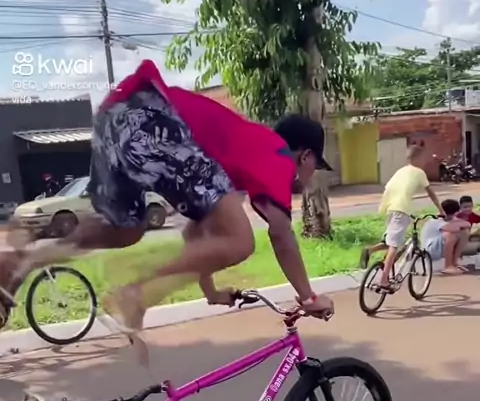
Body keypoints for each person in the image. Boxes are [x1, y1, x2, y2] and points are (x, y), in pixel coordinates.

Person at [0, 59, 334, 333]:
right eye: (315, 167)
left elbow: (197, 234)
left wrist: (211, 291)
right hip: (153, 115)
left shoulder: (240, 155)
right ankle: (135, 293)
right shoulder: (275, 153)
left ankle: (21, 260)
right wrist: (308, 298)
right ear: (305, 156)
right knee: (241, 241)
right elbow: (281, 234)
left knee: (126, 230)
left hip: (115, 115)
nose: (309, 179)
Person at [360, 144, 444, 292]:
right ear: (418, 158)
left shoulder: (400, 171)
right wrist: (441, 210)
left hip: (391, 208)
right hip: (401, 209)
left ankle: (370, 250)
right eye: (423, 158)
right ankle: (384, 280)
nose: (425, 161)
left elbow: (389, 189)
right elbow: (431, 193)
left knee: (390, 241)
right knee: (394, 246)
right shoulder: (419, 172)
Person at [420, 198, 470, 273]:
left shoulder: (449, 220)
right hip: (429, 251)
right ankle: (448, 266)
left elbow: (467, 224)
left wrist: (456, 222)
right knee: (450, 235)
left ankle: (454, 263)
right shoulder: (436, 221)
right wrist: (457, 223)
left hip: (437, 248)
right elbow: (454, 229)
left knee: (465, 232)